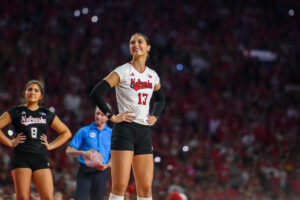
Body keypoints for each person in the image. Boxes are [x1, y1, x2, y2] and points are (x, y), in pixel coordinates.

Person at [90, 33, 165, 200]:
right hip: (125, 130)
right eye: (132, 42)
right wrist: (112, 116)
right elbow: (96, 93)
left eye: (140, 42)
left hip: (144, 132)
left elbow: (160, 99)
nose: (136, 44)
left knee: (145, 189)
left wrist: (155, 116)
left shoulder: (152, 75)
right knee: (119, 187)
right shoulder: (123, 70)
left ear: (148, 47)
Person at [0, 80, 72, 200]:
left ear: (41, 95)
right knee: (22, 197)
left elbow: (66, 133)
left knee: (48, 197)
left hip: (40, 157)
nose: (32, 92)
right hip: (21, 157)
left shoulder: (46, 113)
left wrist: (51, 145)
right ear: (25, 93)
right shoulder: (16, 111)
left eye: (36, 90)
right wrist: (10, 142)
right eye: (30, 89)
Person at [65, 106, 112, 200]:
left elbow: (115, 156)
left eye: (102, 114)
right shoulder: (84, 131)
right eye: (97, 114)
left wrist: (107, 165)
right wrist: (83, 152)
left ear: (108, 117)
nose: (98, 117)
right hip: (85, 171)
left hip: (102, 172)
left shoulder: (112, 133)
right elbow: (68, 151)